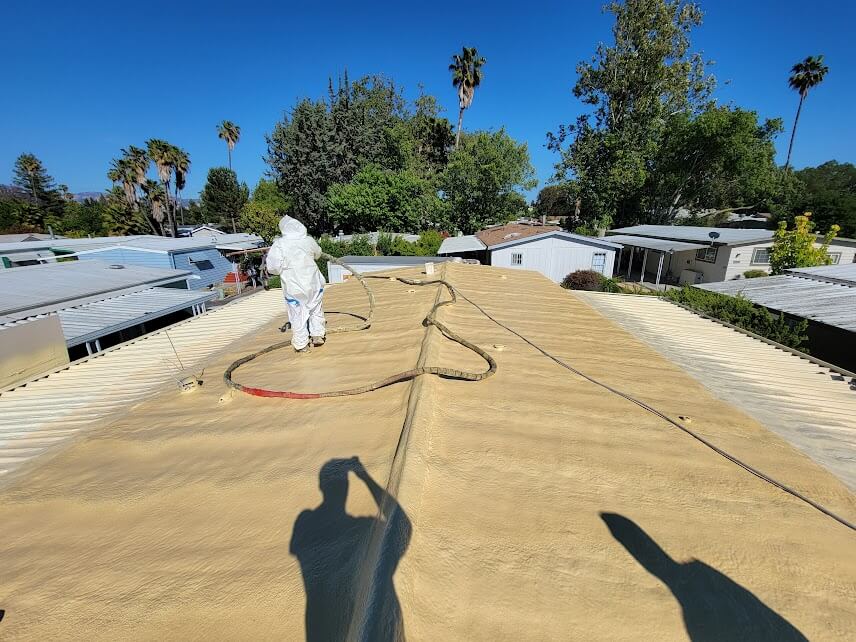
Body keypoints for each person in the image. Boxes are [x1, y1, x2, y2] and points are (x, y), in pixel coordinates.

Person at [265, 215, 326, 352]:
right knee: (315, 309)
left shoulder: (280, 244)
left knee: (297, 315)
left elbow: (273, 267)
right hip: (313, 283)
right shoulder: (308, 240)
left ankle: (301, 345)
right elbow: (318, 253)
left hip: (294, 286)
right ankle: (317, 335)